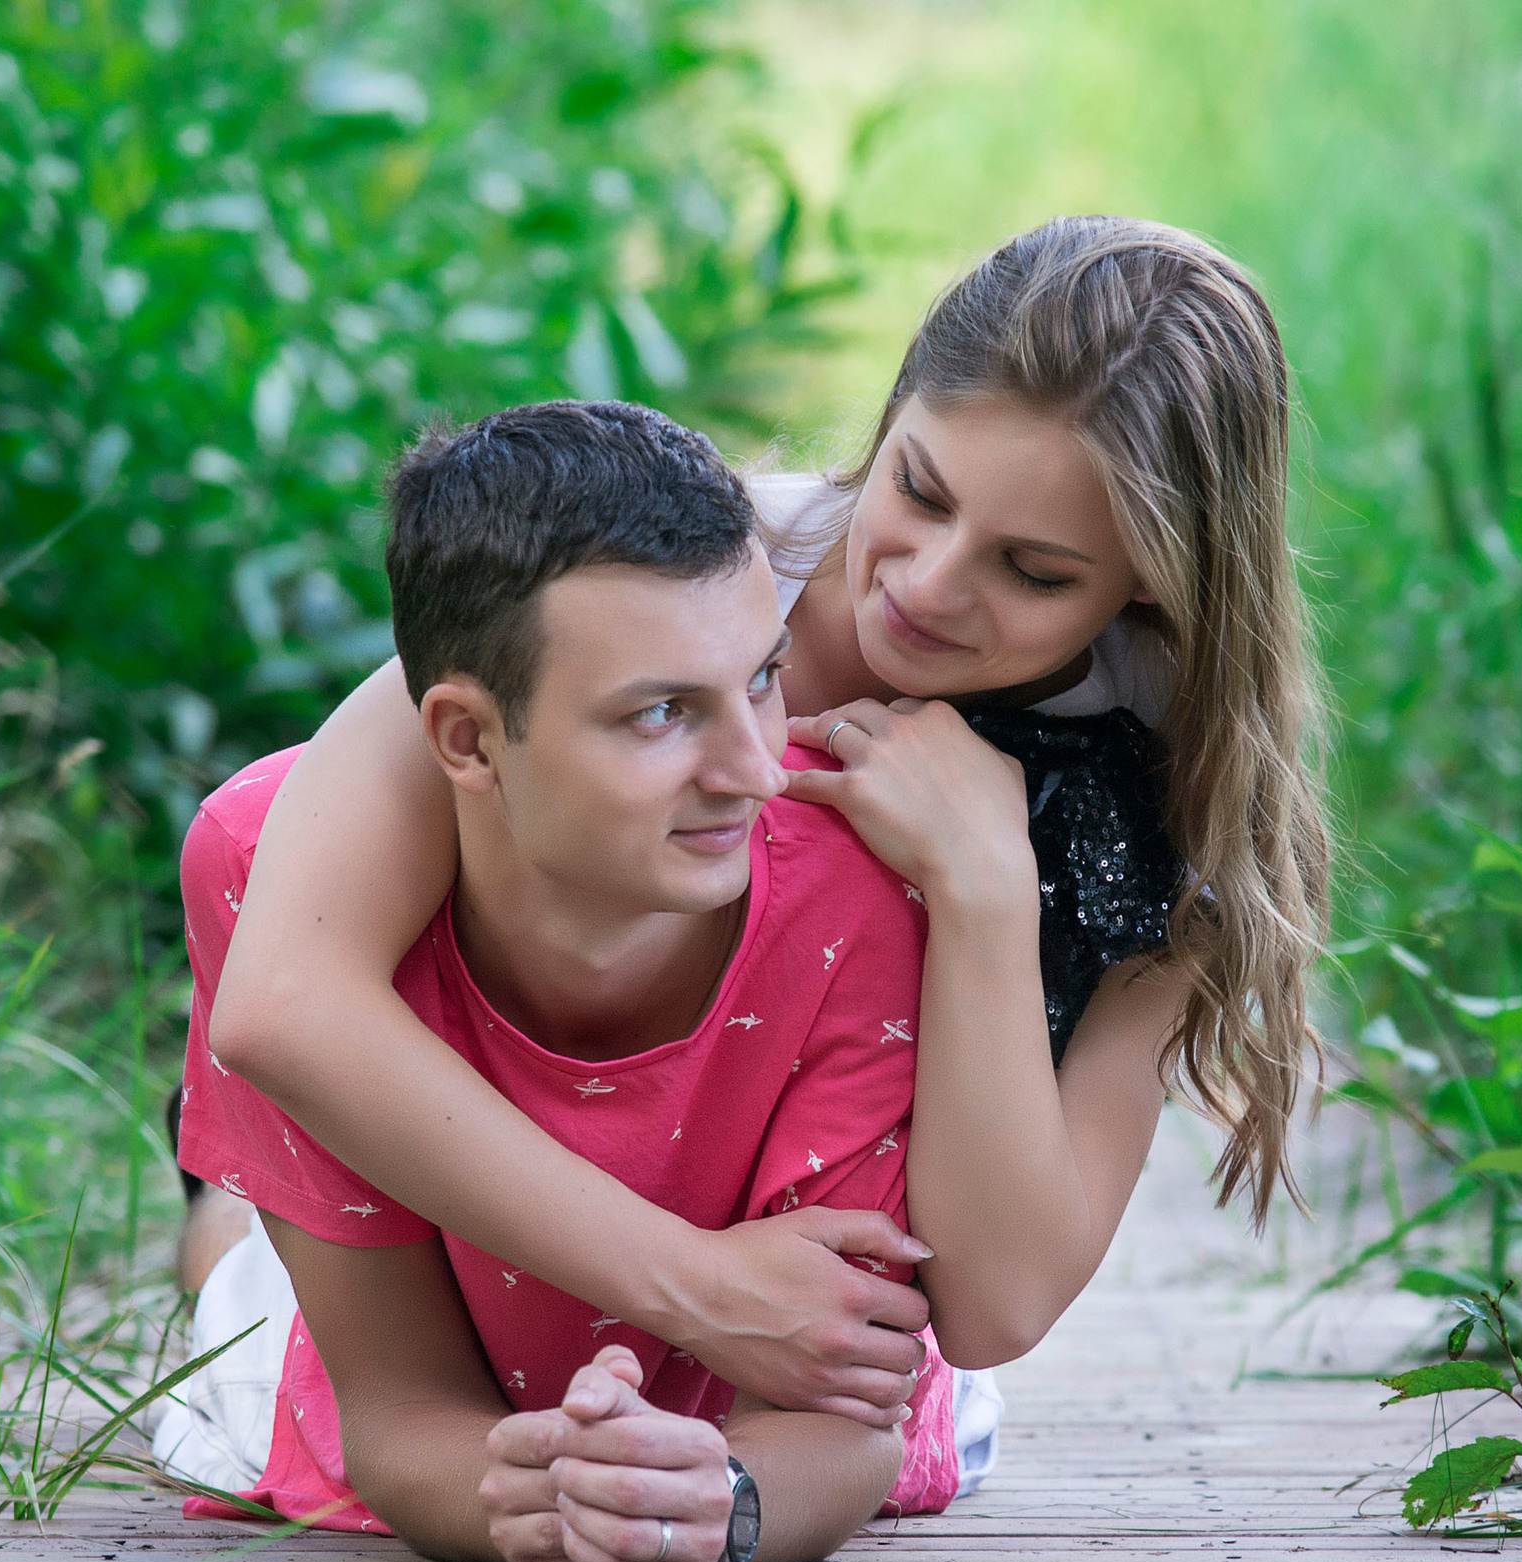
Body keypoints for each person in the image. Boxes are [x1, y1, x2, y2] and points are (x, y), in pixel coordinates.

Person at [194, 215, 1329, 1431]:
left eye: (1035, 572)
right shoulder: (657, 570)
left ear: (1152, 581)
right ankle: (219, 1207)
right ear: (890, 416)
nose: (928, 586)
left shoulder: (1158, 794)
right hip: (485, 1206)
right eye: (919, 489)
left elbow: (992, 1309)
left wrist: (986, 887)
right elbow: (283, 992)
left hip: (813, 1332)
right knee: (245, 1323)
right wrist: (699, 1289)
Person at [160, 401, 968, 1562]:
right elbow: (393, 1412)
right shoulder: (268, 865)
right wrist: (534, 1498)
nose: (755, 770)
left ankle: (235, 1217)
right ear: (469, 742)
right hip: (421, 1349)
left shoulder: (856, 875)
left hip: (770, 1387)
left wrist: (719, 1506)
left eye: (760, 680)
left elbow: (846, 1418)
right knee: (239, 1303)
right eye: (659, 713)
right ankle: (227, 1222)